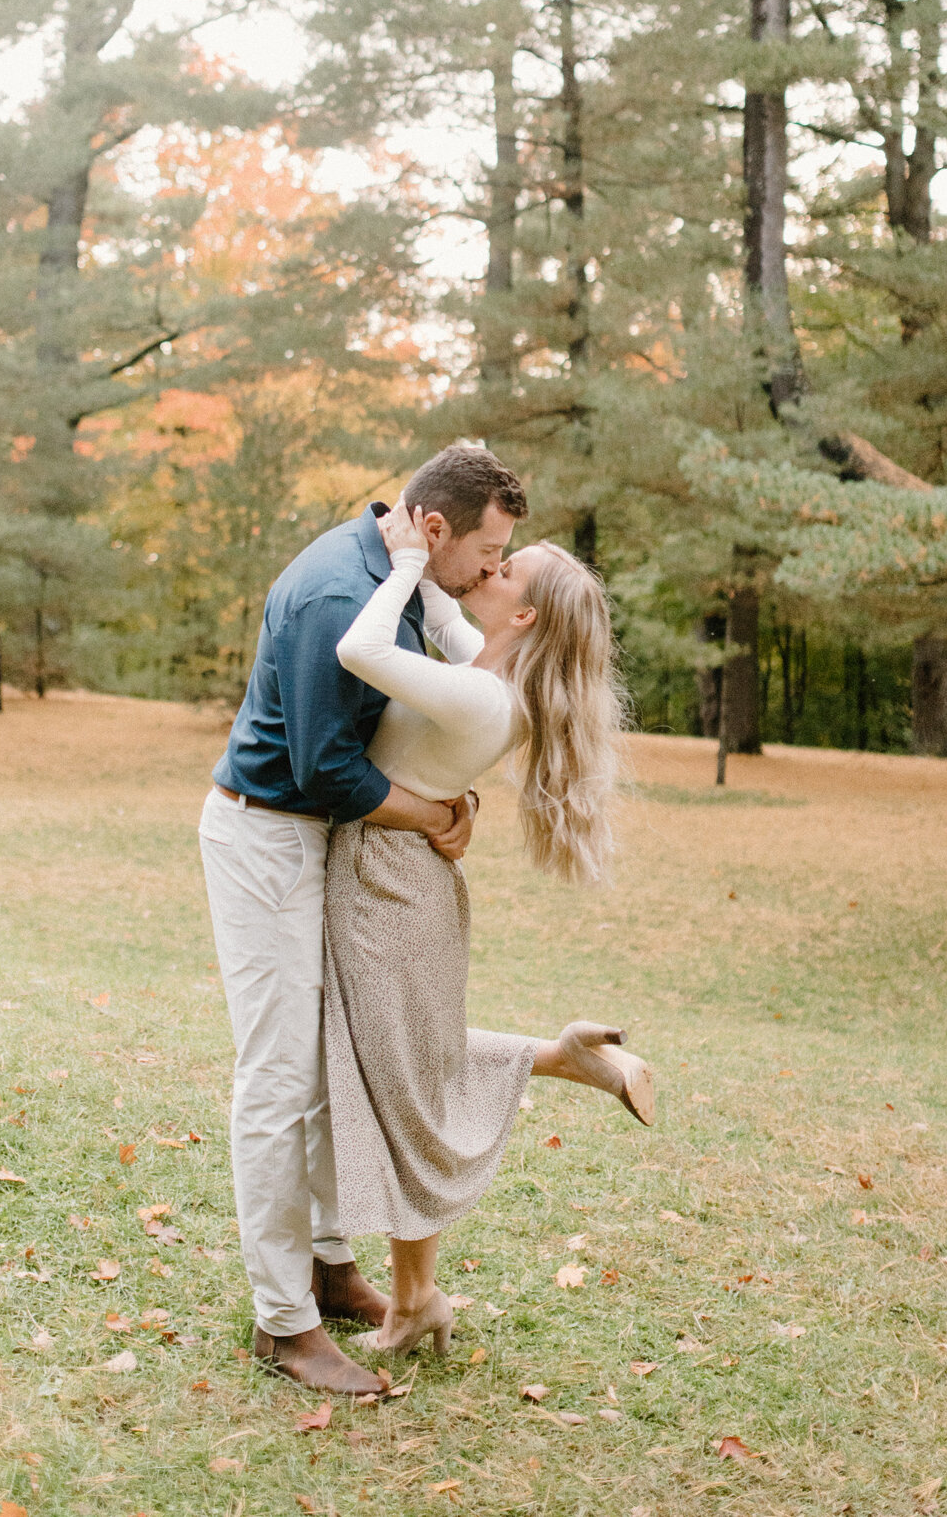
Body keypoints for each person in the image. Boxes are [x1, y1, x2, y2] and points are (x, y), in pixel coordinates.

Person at [198, 443, 528, 1396]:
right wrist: (432, 816)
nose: (492, 573)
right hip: (268, 838)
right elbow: (324, 773)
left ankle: (330, 1265)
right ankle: (282, 1323)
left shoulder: (397, 574)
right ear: (434, 529)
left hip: (320, 842)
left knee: (331, 1056)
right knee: (277, 1077)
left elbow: (409, 722)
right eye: (488, 552)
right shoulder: (338, 597)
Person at [323, 498, 651, 1360]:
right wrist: (428, 548)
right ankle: (416, 1295)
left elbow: (359, 649)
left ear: (525, 611)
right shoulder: (488, 668)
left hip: (385, 881)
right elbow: (441, 611)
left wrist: (398, 563)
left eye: (503, 570)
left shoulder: (477, 694)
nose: (486, 571)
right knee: (411, 1069)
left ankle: (415, 1296)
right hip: (411, 880)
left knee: (402, 1080)